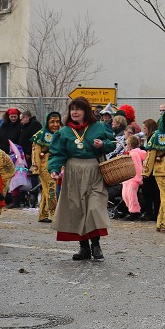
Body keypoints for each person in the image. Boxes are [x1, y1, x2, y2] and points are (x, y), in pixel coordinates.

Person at [48, 97, 115, 260]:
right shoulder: (64, 132)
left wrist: (102, 145)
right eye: (72, 109)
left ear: (86, 111)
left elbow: (112, 143)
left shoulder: (98, 127)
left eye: (78, 109)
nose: (74, 112)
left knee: (94, 207)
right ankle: (84, 248)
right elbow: (57, 153)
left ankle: (96, 245)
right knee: (77, 209)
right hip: (73, 172)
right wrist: (54, 168)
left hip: (93, 171)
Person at [30, 111, 61, 223]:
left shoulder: (61, 133)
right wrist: (36, 169)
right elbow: (35, 152)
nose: (55, 124)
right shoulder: (41, 135)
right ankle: (54, 215)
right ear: (47, 122)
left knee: (46, 190)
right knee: (51, 189)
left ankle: (43, 214)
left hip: (57, 167)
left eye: (57, 122)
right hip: (45, 167)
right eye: (52, 122)